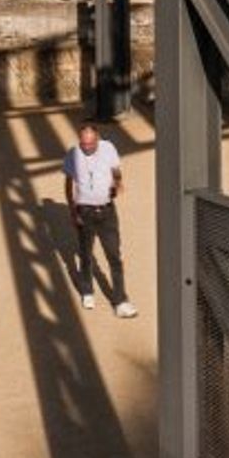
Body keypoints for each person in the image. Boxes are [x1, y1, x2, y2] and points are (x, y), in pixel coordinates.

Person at [62, 122, 137, 319]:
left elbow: (116, 169)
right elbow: (69, 184)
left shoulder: (108, 148)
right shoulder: (73, 154)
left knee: (114, 255)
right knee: (86, 255)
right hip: (84, 211)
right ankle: (87, 292)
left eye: (90, 144)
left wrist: (118, 182)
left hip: (107, 211)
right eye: (83, 144)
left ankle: (120, 301)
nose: (86, 148)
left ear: (98, 139)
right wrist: (72, 211)